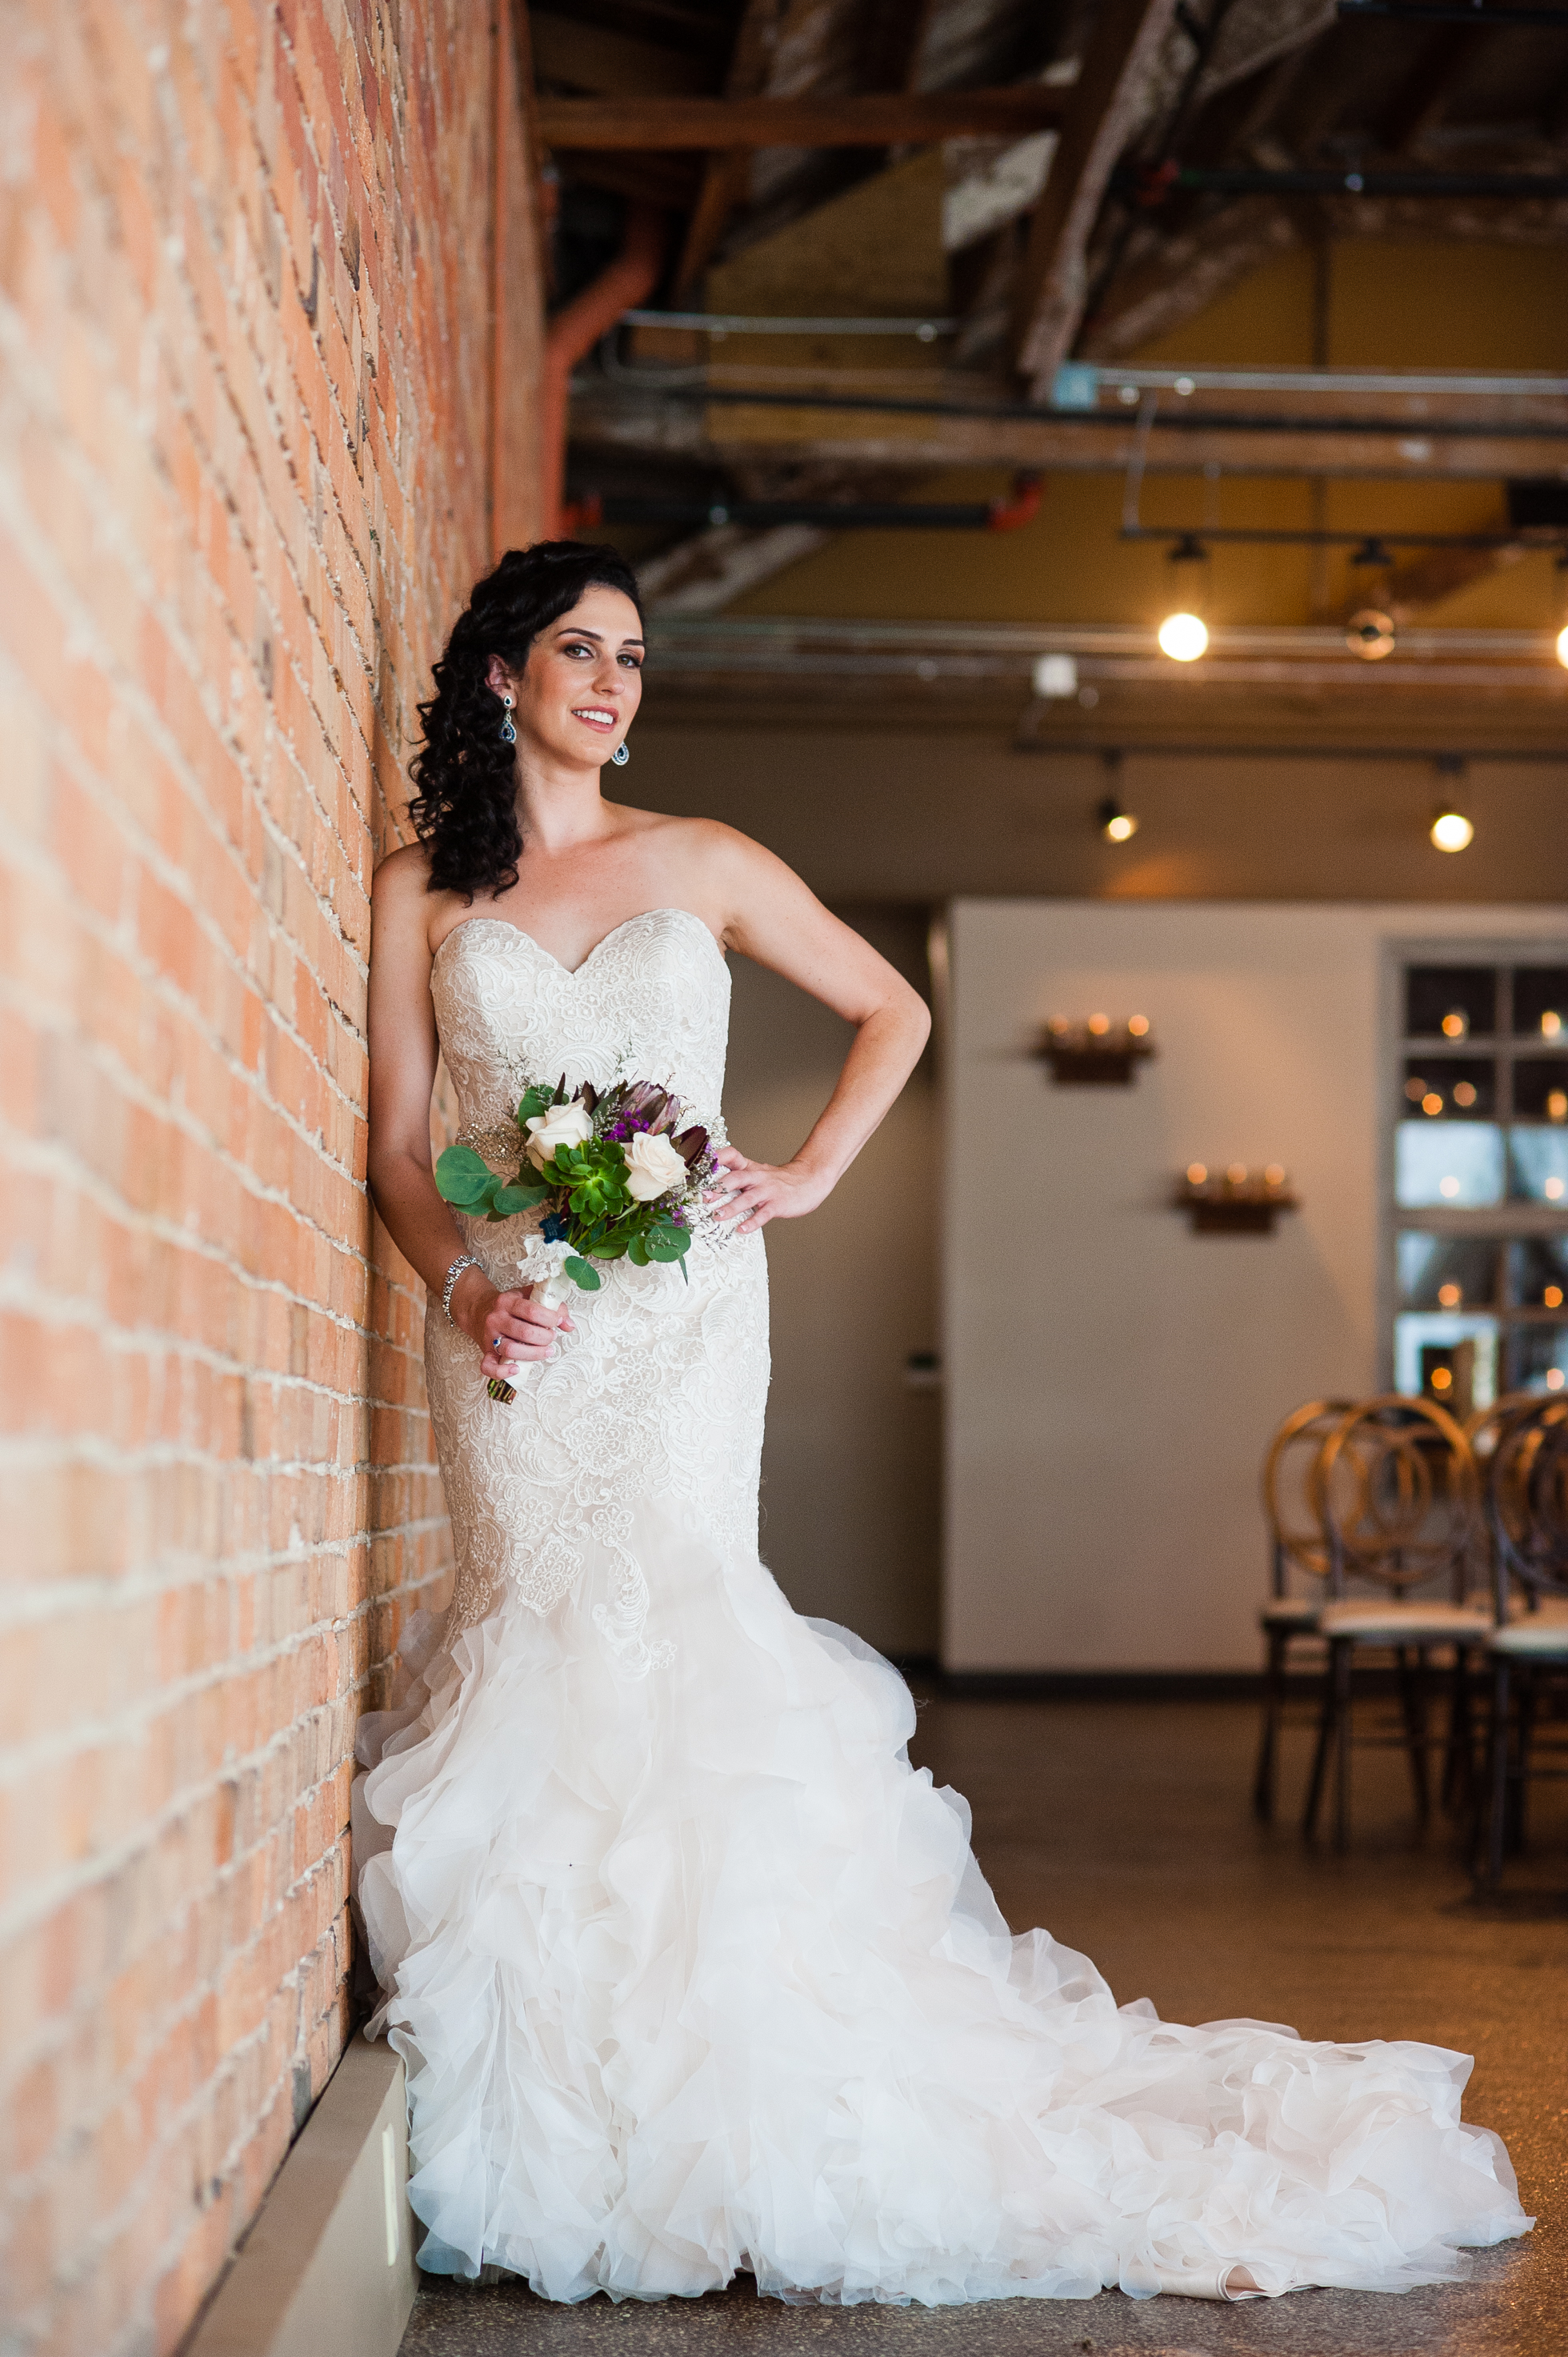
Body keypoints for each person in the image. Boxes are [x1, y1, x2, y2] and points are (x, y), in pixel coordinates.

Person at [356, 541, 1529, 2307]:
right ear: (503, 674)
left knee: (673, 1631)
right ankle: (558, 2094)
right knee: (537, 1629)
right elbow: (392, 1141)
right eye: (578, 651)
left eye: (634, 658)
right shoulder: (419, 895)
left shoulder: (709, 860)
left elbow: (890, 1009)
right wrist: (458, 1283)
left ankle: (723, 2092)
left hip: (681, 1322)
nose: (612, 682)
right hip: (512, 1327)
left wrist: (804, 1175)